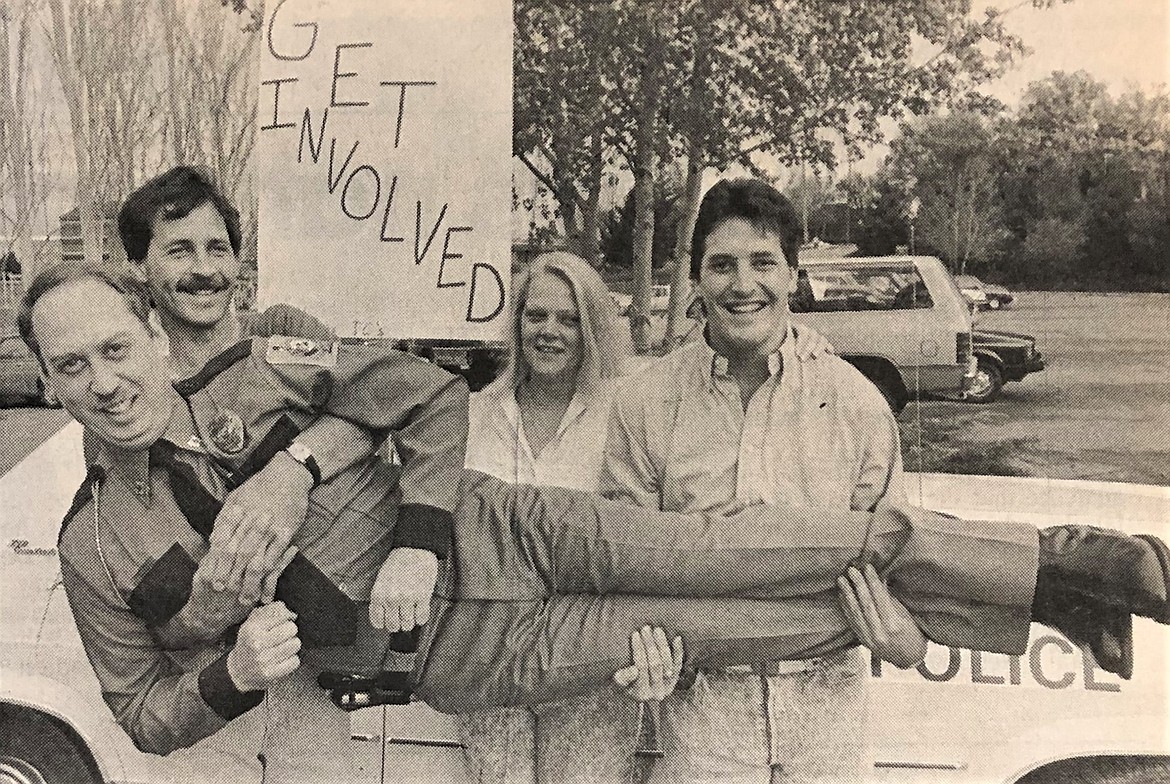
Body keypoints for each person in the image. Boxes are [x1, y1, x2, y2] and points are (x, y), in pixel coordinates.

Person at [22, 266, 1170, 774]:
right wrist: (229, 671)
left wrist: (351, 501)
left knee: (747, 546)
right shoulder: (89, 544)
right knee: (735, 630)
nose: (106, 380)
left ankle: (1070, 562)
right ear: (47, 381)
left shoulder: (273, 360)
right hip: (463, 655)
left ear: (151, 332)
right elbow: (141, 709)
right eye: (73, 367)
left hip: (500, 531)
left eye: (117, 348)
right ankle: (1051, 607)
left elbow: (426, 393)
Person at [596, 178, 1156, 783]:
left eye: (764, 262)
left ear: (792, 275)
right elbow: (630, 567)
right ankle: (1063, 580)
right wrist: (647, 653)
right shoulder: (645, 403)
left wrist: (902, 641)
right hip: (702, 718)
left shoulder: (855, 403)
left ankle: (1070, 583)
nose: (742, 284)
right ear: (698, 275)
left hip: (825, 720)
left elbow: (903, 581)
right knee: (797, 551)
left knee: (885, 546)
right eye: (722, 264)